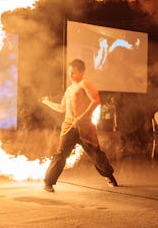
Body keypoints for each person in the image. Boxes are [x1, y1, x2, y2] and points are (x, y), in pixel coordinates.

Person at [40, 59, 117, 193]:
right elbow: (61, 108)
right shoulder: (69, 89)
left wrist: (81, 118)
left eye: (73, 73)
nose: (70, 75)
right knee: (61, 154)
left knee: (96, 154)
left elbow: (96, 101)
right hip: (69, 126)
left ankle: (109, 176)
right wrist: (47, 102)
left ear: (81, 72)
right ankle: (48, 182)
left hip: (85, 127)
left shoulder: (85, 83)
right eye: (69, 72)